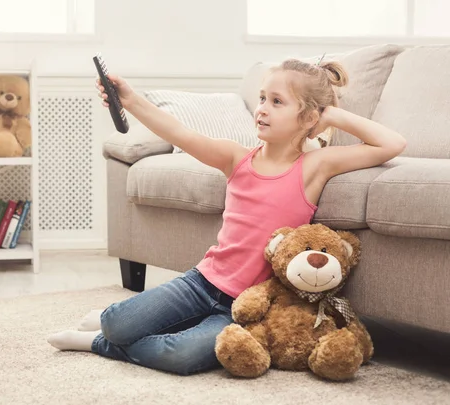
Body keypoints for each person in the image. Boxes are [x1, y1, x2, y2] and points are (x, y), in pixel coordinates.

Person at [47, 58, 407, 376]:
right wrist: (130, 100)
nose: (262, 108)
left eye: (276, 102)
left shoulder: (314, 167)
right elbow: (179, 132)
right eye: (263, 98)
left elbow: (392, 144)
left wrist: (332, 116)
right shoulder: (236, 158)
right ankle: (112, 326)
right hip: (201, 283)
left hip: (244, 307)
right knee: (118, 323)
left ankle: (100, 343)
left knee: (182, 355)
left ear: (308, 117)